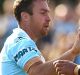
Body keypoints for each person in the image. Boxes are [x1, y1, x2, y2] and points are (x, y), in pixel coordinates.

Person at [0, 0, 80, 75]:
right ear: (25, 17)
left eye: (48, 13)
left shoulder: (22, 40)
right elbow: (38, 72)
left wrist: (73, 52)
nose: (49, 18)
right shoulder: (21, 41)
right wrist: (73, 53)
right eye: (43, 13)